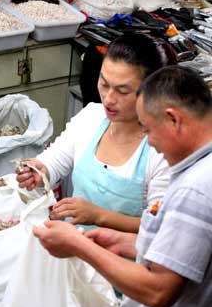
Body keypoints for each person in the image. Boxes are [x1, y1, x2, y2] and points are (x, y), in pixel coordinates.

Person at [33, 66, 212, 307]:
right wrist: (126, 242)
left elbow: (159, 291)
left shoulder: (195, 189)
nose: (150, 142)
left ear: (174, 119)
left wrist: (80, 247)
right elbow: (188, 252)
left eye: (149, 130)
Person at [17, 33, 173, 232]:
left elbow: (160, 228)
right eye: (104, 84)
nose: (108, 99)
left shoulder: (161, 151)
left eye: (123, 91)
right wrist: (38, 171)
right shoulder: (91, 118)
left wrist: (99, 216)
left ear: (151, 91)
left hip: (121, 260)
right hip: (73, 247)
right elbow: (53, 162)